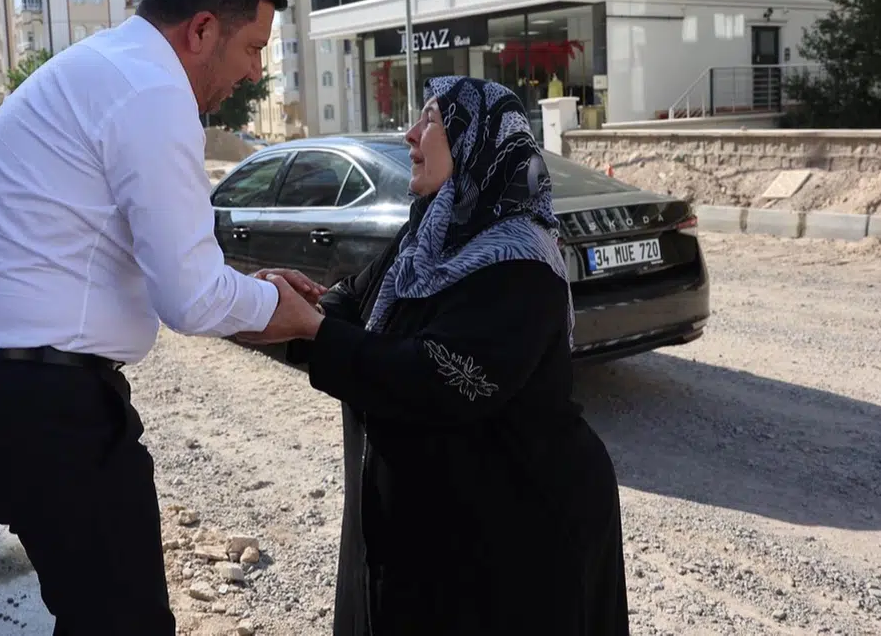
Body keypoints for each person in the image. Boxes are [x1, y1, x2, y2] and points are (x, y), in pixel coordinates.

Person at [0, 0, 324, 636]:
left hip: (0, 392)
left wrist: (246, 286)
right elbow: (193, 302)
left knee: (98, 617)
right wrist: (291, 313)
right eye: (254, 48)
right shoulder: (152, 93)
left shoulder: (107, 68)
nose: (254, 73)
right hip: (40, 409)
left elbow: (147, 260)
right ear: (202, 29)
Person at [247, 77, 630, 635]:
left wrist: (315, 331)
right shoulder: (430, 233)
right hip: (438, 524)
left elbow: (445, 377)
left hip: (519, 531)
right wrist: (296, 304)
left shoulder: (521, 263)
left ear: (477, 140)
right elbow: (356, 299)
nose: (409, 134)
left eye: (430, 119)